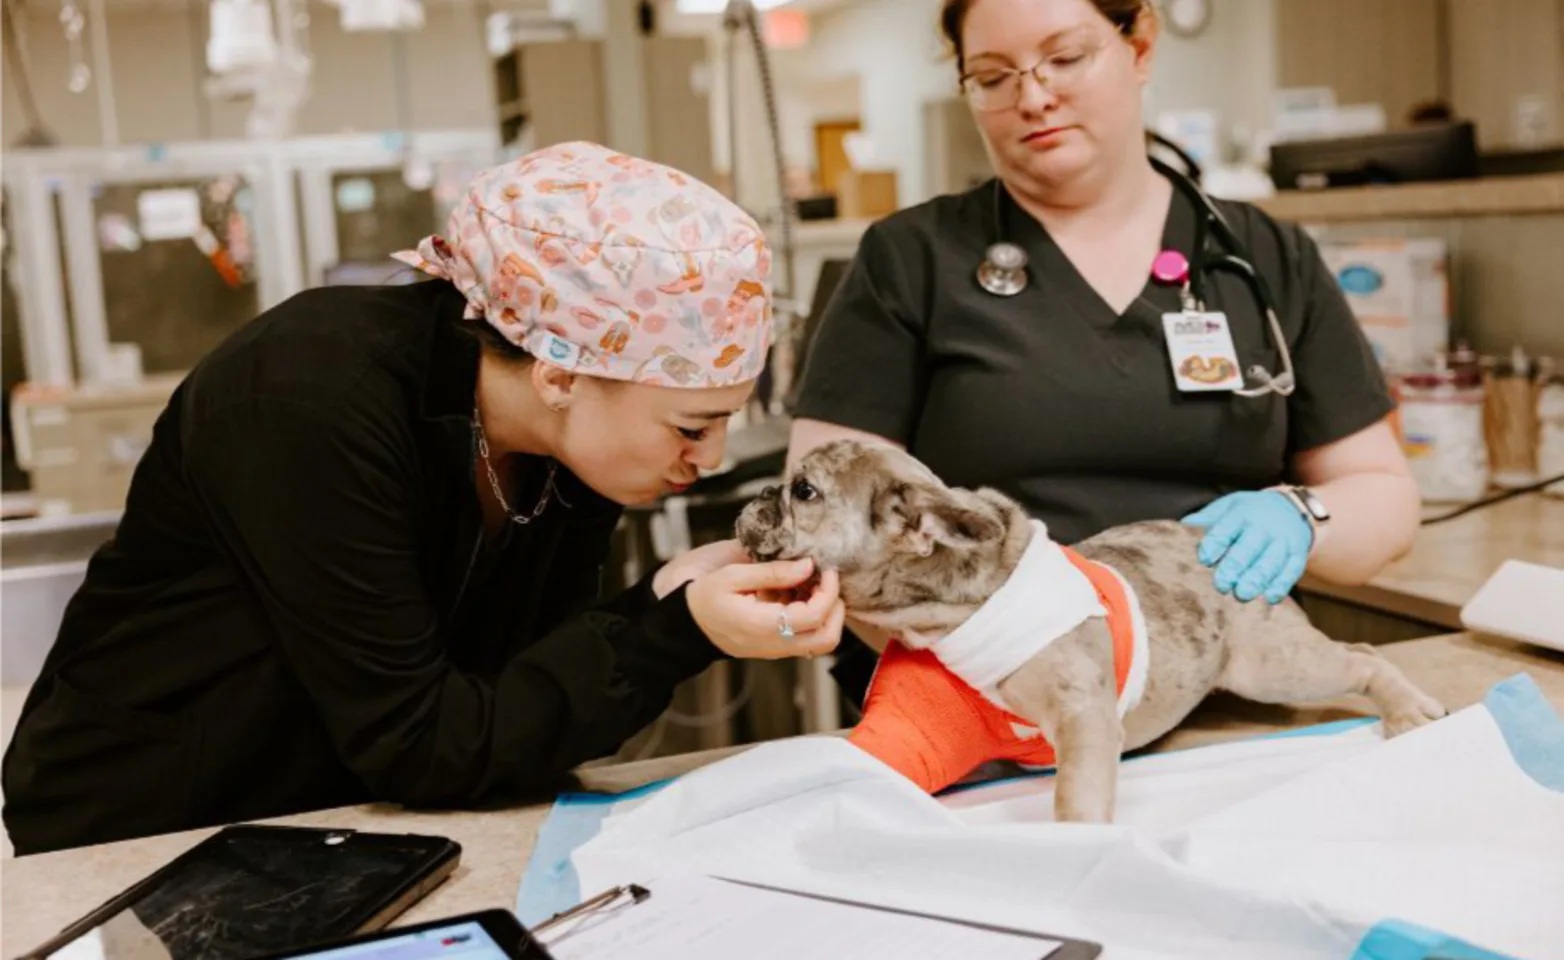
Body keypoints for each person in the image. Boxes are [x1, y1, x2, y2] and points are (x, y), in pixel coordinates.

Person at [3, 142, 845, 855]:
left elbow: (518, 697)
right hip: (153, 824)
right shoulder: (305, 405)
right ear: (558, 370)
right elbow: (423, 742)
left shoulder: (567, 445)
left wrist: (667, 600)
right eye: (692, 426)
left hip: (342, 813)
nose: (710, 457)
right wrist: (676, 631)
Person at [787, 0, 1420, 705]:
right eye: (993, 77)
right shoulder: (909, 262)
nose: (1033, 97)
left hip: (1228, 695)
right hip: (988, 706)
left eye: (1065, 58)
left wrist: (1303, 519)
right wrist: (994, 670)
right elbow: (824, 516)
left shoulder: (1266, 257)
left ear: (1140, 45)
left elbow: (1383, 500)